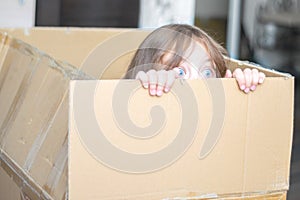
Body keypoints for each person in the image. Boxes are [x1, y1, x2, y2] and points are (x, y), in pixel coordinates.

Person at [124, 24, 265, 96]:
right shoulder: (149, 86)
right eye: (180, 72)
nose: (198, 81)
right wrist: (145, 86)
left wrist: (242, 86)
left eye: (207, 72)